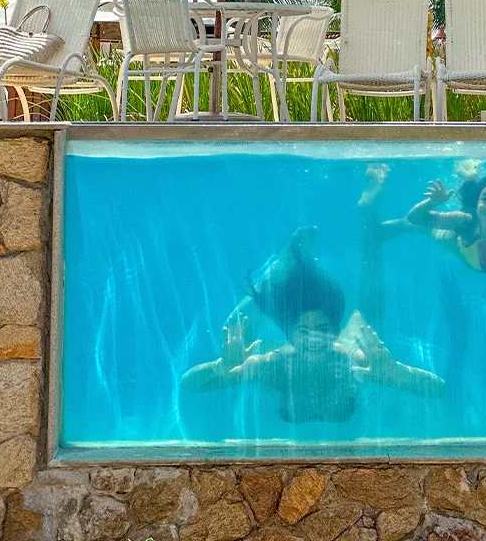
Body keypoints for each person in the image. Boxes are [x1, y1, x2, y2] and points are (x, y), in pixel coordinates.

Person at [181, 166, 443, 422]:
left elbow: (437, 388)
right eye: (304, 331)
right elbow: (189, 384)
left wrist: (395, 373)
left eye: (322, 328)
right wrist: (222, 366)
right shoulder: (273, 367)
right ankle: (278, 274)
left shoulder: (352, 363)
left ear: (334, 330)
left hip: (349, 341)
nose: (314, 337)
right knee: (229, 334)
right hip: (308, 347)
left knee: (368, 313)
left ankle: (364, 214)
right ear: (290, 333)